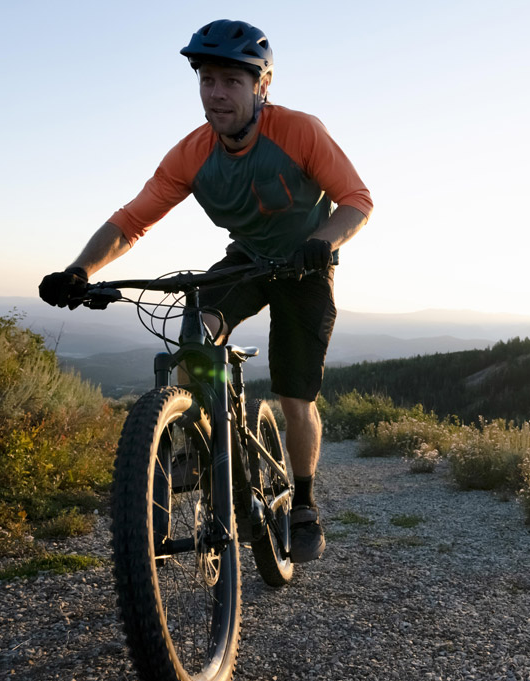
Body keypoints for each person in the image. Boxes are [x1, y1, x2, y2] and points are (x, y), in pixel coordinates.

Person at [38, 19, 372, 563]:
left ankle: (305, 501)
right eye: (207, 80)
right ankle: (198, 437)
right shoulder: (192, 153)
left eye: (232, 82)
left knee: (295, 395)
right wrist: (78, 270)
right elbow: (131, 221)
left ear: (262, 86)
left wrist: (320, 241)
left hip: (305, 264)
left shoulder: (300, 131)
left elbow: (357, 200)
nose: (216, 93)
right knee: (197, 326)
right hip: (246, 261)